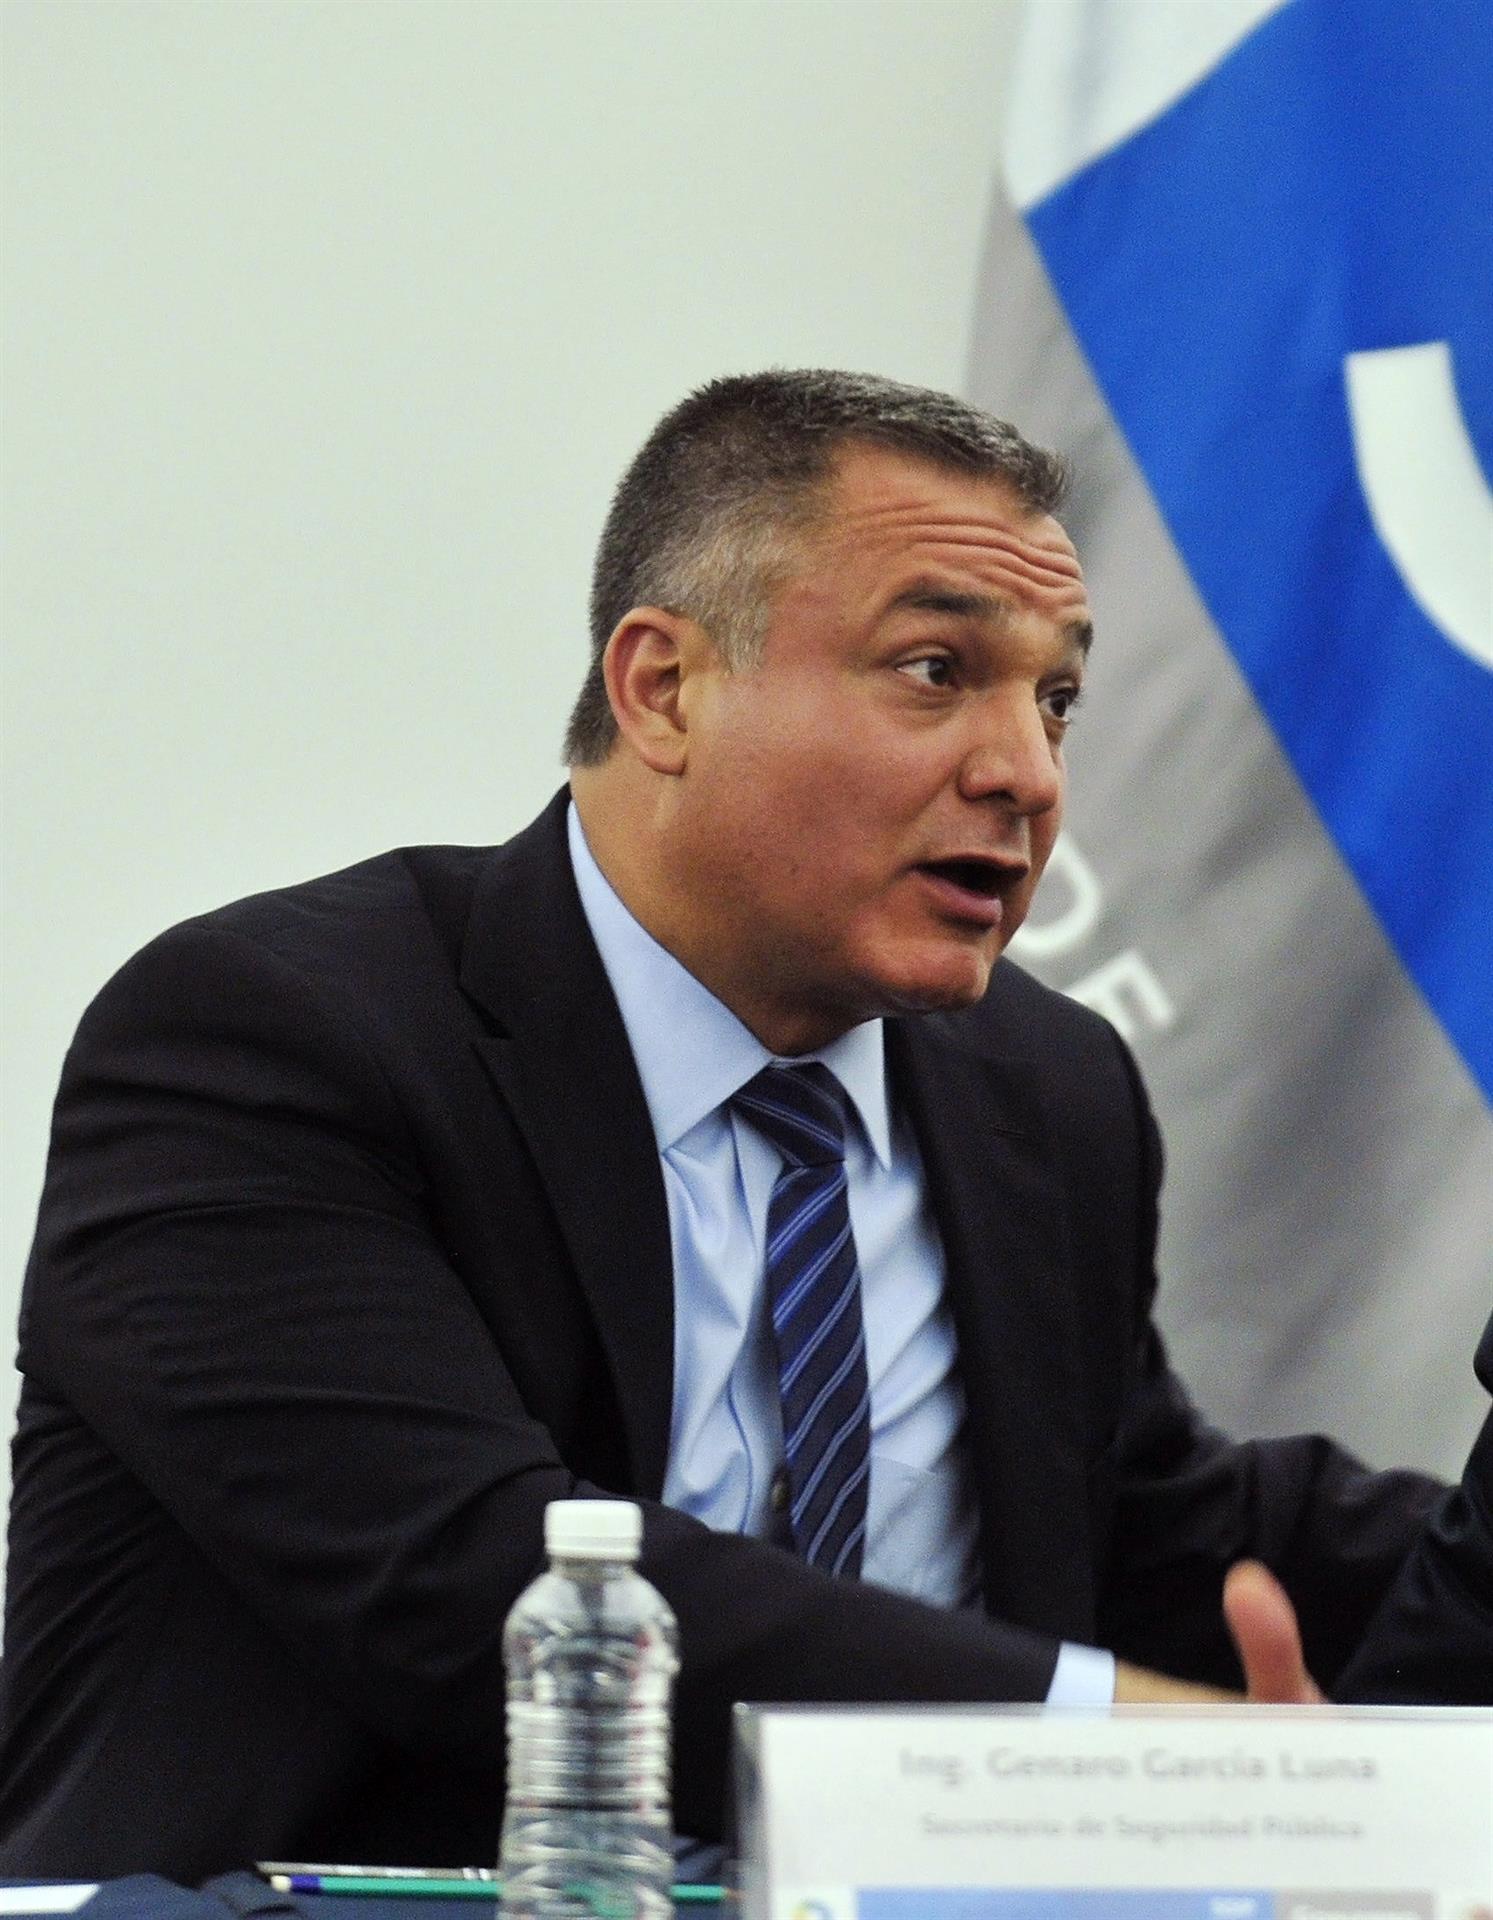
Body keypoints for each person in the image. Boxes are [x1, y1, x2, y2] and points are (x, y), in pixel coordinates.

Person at [0, 371, 1439, 1883]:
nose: (1023, 770)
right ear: (663, 689)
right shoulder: (272, 1040)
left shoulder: (1042, 1089)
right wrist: (1122, 1757)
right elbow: (467, 1584)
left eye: (1057, 697)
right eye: (936, 668)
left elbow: (1145, 1534)